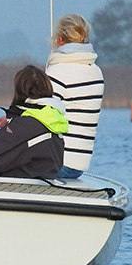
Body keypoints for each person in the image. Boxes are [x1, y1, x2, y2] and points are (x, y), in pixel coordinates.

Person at [45, 14, 103, 178]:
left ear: (59, 40)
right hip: (78, 166)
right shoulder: (96, 71)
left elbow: (42, 116)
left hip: (57, 162)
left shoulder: (58, 71)